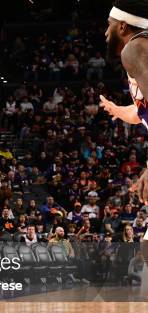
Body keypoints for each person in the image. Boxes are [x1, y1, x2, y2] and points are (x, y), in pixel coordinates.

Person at [100, 0, 148, 201]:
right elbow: (144, 112)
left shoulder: (135, 48)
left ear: (122, 25)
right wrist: (120, 110)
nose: (105, 33)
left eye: (109, 24)